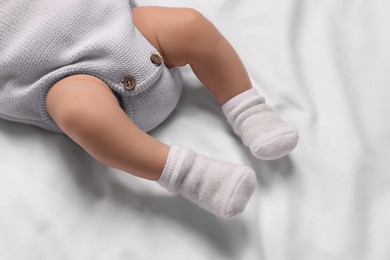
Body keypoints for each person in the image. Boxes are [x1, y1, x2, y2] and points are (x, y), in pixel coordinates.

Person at [0, 1, 298, 218]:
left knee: (189, 25)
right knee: (78, 112)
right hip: (63, 76)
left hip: (127, 33)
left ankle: (248, 109)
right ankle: (190, 175)